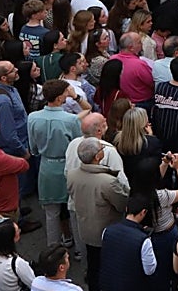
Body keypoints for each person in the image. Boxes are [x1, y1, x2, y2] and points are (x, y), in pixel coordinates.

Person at [67, 136, 131, 291]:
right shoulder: (107, 182)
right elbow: (122, 203)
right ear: (97, 157)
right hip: (106, 231)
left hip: (86, 227)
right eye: (101, 149)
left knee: (93, 262)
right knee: (108, 265)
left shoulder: (72, 174)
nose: (103, 149)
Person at [28, 79, 82, 246]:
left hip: (46, 167)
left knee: (51, 213)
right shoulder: (71, 120)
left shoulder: (32, 117)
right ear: (59, 98)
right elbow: (78, 145)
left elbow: (33, 148)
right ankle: (80, 250)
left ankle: (53, 249)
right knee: (73, 211)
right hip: (69, 167)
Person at [101, 193, 160, 291]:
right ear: (143, 212)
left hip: (108, 284)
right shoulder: (144, 241)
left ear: (127, 209)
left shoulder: (107, 231)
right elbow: (150, 270)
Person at [0, 219, 36, 291]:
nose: (20, 231)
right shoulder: (16, 263)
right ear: (11, 239)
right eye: (17, 231)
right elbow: (33, 283)